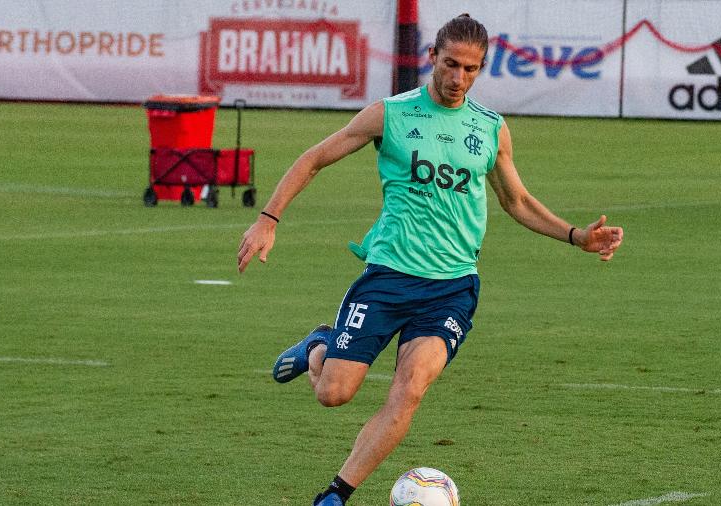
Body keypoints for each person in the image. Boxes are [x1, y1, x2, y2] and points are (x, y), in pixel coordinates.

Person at [236, 14, 624, 506]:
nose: (458, 78)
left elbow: (517, 202)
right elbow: (314, 158)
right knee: (333, 393)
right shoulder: (391, 115)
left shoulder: (489, 129)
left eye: (471, 69)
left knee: (410, 390)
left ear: (481, 69)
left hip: (451, 289)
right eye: (450, 64)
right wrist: (268, 218)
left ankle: (336, 494)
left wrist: (576, 236)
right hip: (389, 278)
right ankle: (318, 346)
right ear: (431, 59)